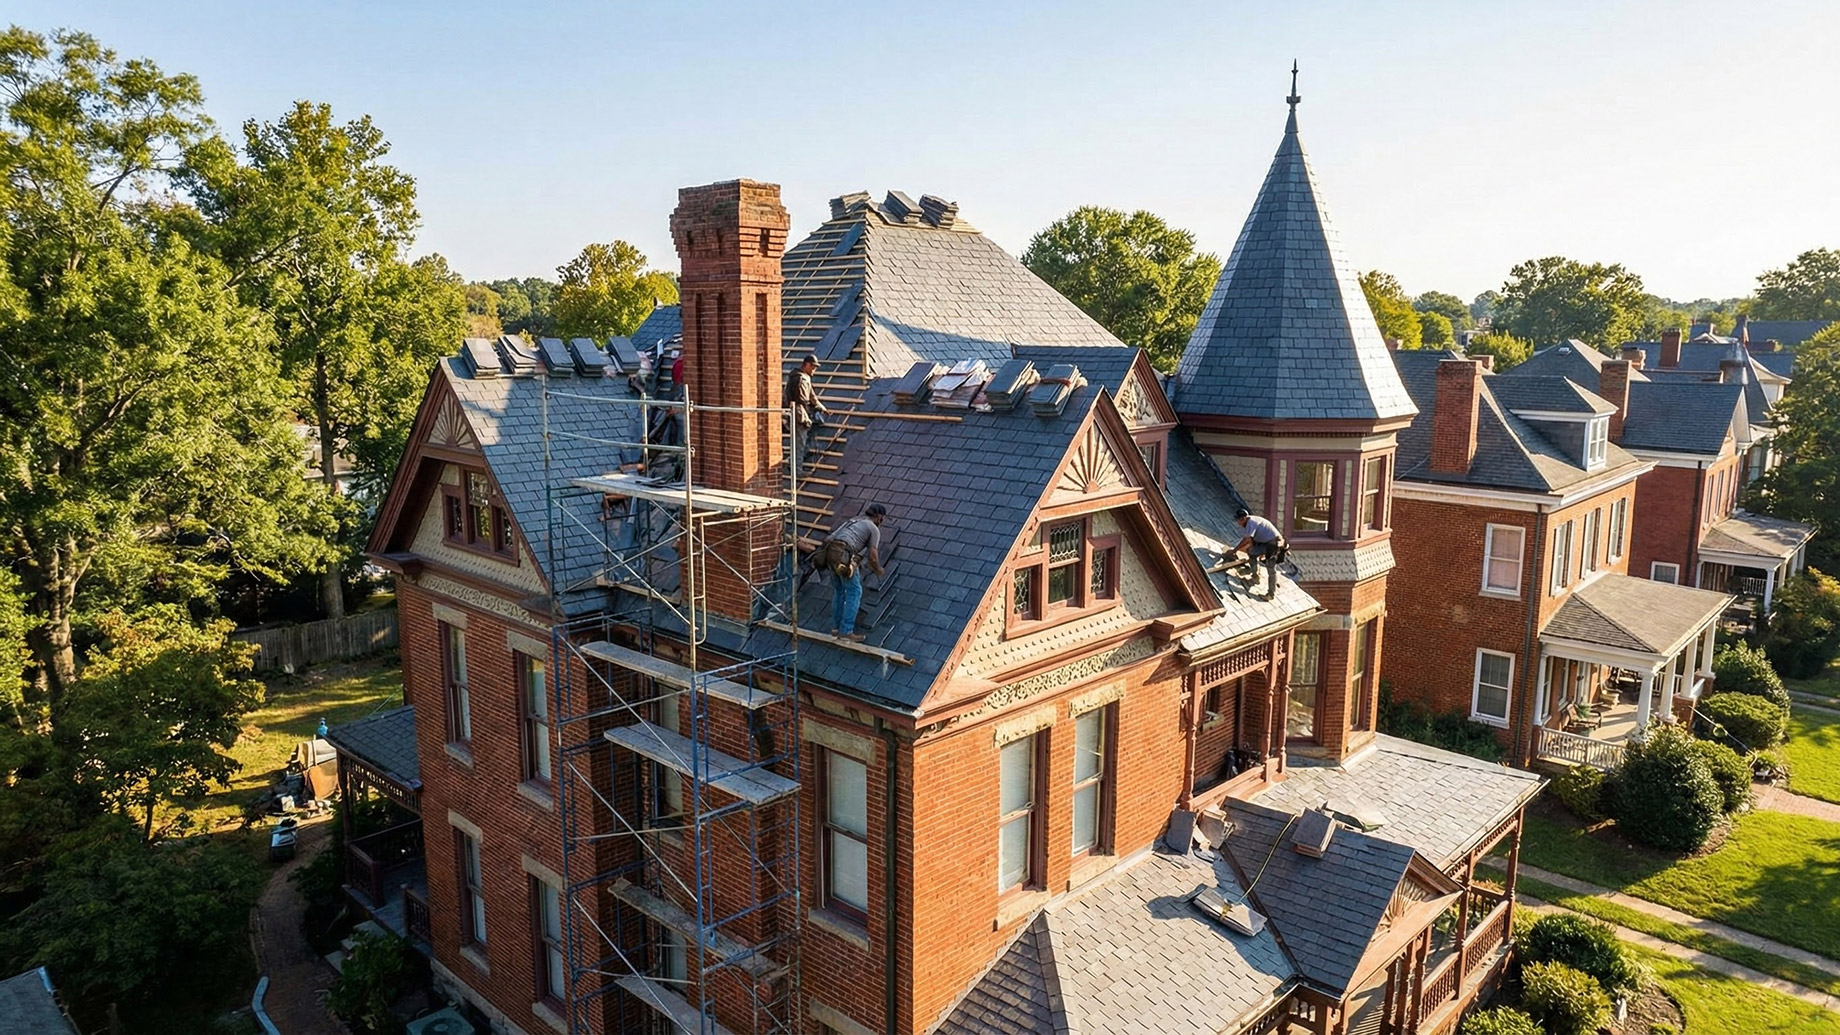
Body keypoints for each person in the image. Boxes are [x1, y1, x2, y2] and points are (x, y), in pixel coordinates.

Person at [822, 504, 885, 641]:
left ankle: (836, 628)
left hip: (830, 554)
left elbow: (828, 539)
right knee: (855, 592)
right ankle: (846, 631)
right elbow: (873, 556)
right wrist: (878, 569)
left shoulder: (853, 520)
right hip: (844, 556)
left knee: (839, 591)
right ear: (879, 517)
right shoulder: (873, 528)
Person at [1231, 507, 1287, 599]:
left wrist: (1234, 550)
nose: (1238, 523)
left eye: (1239, 521)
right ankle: (1255, 578)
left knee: (1271, 570)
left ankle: (1270, 594)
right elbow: (1251, 541)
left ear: (1243, 519)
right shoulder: (1250, 520)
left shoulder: (1251, 523)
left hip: (1273, 545)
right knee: (1251, 552)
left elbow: (1246, 540)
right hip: (1265, 543)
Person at [787, 355, 828, 470]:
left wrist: (821, 407)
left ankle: (792, 463)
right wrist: (813, 409)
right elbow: (804, 399)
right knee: (799, 443)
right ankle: (797, 469)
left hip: (796, 412)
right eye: (813, 367)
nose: (814, 370)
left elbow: (812, 396)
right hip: (799, 414)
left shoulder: (803, 377)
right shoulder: (801, 379)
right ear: (806, 365)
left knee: (799, 441)